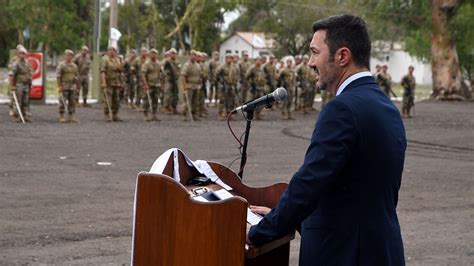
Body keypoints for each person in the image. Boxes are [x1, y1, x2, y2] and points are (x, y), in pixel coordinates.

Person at [247, 14, 406, 266]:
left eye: (314, 52)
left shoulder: (342, 108)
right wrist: (280, 216)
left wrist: (260, 231)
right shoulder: (385, 106)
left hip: (345, 254)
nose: (310, 62)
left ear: (342, 56)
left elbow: (310, 182)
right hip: (380, 250)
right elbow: (354, 194)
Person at [8, 46, 32, 122]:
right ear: (18, 54)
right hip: (19, 84)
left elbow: (29, 73)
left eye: (24, 53)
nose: (23, 55)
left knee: (26, 101)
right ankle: (17, 116)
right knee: (18, 100)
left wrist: (30, 83)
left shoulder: (27, 63)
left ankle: (24, 115)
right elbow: (12, 75)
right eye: (21, 53)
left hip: (26, 84)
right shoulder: (16, 63)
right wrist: (12, 86)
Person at [100, 46, 123, 122]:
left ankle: (114, 114)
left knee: (116, 99)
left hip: (116, 82)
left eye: (113, 50)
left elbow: (120, 70)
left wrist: (118, 61)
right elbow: (103, 71)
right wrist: (103, 82)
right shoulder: (105, 59)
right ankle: (107, 114)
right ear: (107, 51)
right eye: (110, 50)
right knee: (107, 99)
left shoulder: (117, 59)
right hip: (108, 82)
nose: (111, 52)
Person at [56, 49, 80, 123]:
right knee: (62, 101)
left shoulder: (74, 66)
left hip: (72, 86)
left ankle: (71, 116)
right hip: (64, 86)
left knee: (72, 101)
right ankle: (61, 115)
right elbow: (58, 77)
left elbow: (76, 76)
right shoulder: (61, 65)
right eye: (67, 55)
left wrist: (77, 86)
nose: (69, 57)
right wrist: (59, 87)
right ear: (65, 56)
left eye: (70, 55)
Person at [141, 49, 162, 122]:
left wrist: (161, 83)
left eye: (155, 54)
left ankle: (154, 114)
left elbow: (160, 74)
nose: (154, 55)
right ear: (149, 55)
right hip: (149, 84)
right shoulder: (146, 64)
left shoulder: (159, 63)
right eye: (152, 53)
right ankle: (146, 114)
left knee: (155, 100)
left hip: (156, 84)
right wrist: (145, 84)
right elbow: (143, 74)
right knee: (146, 100)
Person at [215, 53, 239, 120]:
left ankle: (229, 114)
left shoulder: (234, 67)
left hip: (231, 86)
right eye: (228, 58)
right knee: (222, 100)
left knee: (231, 101)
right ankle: (220, 114)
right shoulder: (221, 66)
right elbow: (216, 74)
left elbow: (236, 75)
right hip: (223, 85)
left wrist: (235, 83)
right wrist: (220, 81)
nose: (230, 59)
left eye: (231, 58)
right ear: (226, 59)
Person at [180, 50, 202, 121]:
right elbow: (183, 75)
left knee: (195, 102)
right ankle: (184, 115)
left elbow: (199, 75)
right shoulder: (187, 65)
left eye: (195, 55)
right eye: (192, 55)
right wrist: (184, 86)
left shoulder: (197, 65)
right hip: (189, 85)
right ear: (190, 56)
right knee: (187, 102)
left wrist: (199, 83)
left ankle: (194, 114)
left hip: (196, 86)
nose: (193, 56)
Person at [245, 56, 266, 120]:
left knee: (261, 102)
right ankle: (249, 115)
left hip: (260, 88)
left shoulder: (262, 68)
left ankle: (258, 114)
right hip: (253, 88)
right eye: (257, 60)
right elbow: (247, 76)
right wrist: (250, 83)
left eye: (260, 60)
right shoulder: (252, 68)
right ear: (255, 61)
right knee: (250, 101)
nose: (259, 61)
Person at [162, 48, 180, 114]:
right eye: (172, 53)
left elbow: (178, 70)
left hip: (175, 80)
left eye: (174, 53)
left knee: (175, 94)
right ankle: (166, 107)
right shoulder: (167, 62)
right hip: (169, 80)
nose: (173, 55)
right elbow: (162, 70)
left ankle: (174, 107)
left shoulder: (177, 62)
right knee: (167, 93)